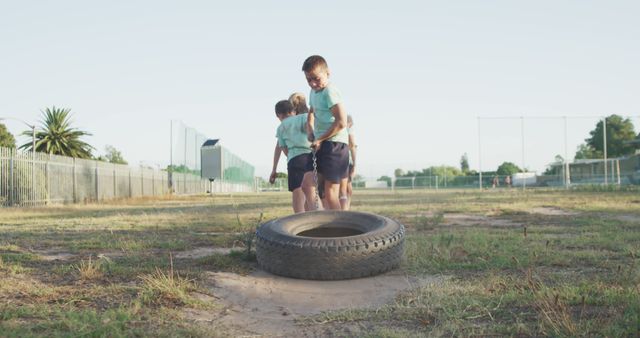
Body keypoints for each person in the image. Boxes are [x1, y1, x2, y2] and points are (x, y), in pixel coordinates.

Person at [301, 55, 349, 210]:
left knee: (330, 193)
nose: (313, 83)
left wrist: (320, 139)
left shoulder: (330, 92)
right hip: (321, 143)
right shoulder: (313, 92)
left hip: (335, 144)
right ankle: (314, 227)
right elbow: (312, 111)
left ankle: (340, 231)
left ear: (328, 73)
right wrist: (310, 126)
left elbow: (341, 122)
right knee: (307, 185)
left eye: (316, 78)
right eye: (309, 80)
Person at [269, 100, 316, 213]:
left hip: (294, 160)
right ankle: (316, 218)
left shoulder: (280, 128)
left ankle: (299, 219)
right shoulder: (304, 116)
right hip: (311, 156)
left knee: (297, 192)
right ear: (293, 111)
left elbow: (284, 149)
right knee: (312, 193)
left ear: (278, 115)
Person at [339, 115, 356, 210]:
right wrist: (354, 164)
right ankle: (345, 211)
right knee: (345, 191)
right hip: (345, 161)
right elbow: (352, 144)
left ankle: (345, 209)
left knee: (343, 190)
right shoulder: (347, 130)